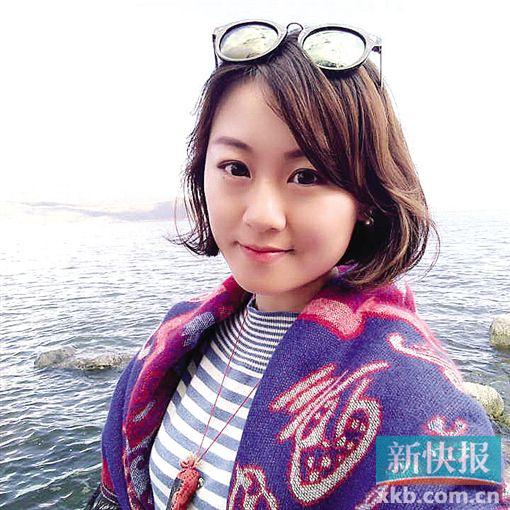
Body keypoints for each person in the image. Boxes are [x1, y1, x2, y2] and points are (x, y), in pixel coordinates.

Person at [85, 19, 507, 510]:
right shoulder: (174, 337)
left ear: (366, 196)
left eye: (306, 176)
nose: (262, 216)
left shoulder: (423, 404)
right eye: (235, 168)